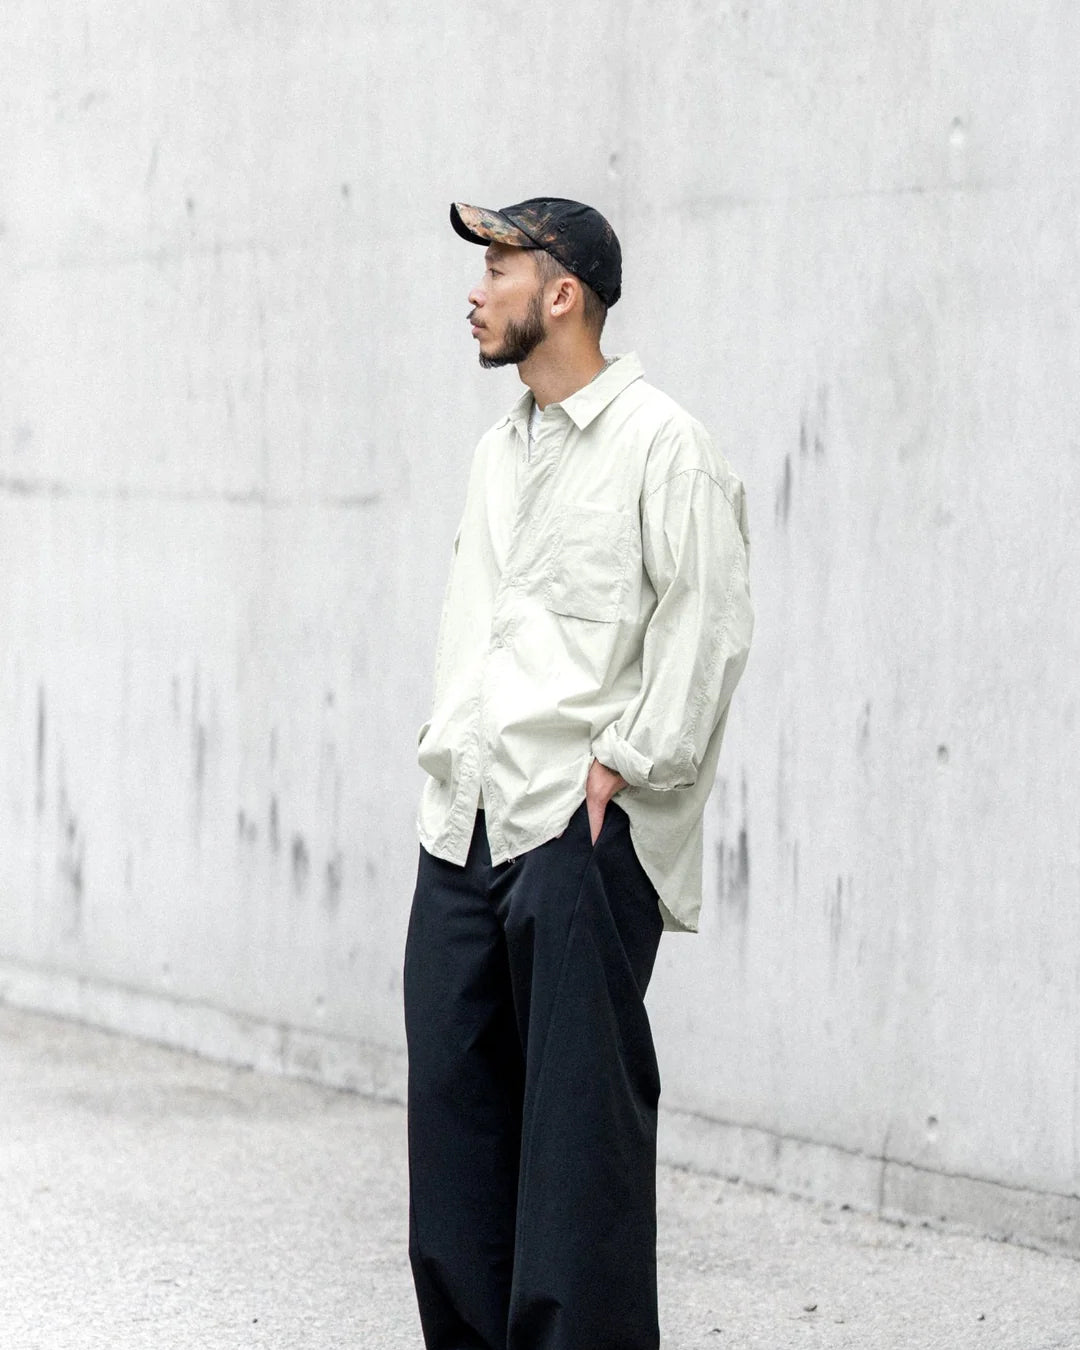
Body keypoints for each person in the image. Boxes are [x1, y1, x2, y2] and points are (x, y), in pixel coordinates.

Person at [404, 197, 753, 1350]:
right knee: (454, 1167)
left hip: (576, 832)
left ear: (563, 293)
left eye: (497, 264)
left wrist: (627, 763)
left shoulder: (664, 442)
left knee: (574, 1167)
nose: (475, 288)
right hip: (466, 827)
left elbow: (707, 628)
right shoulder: (496, 452)